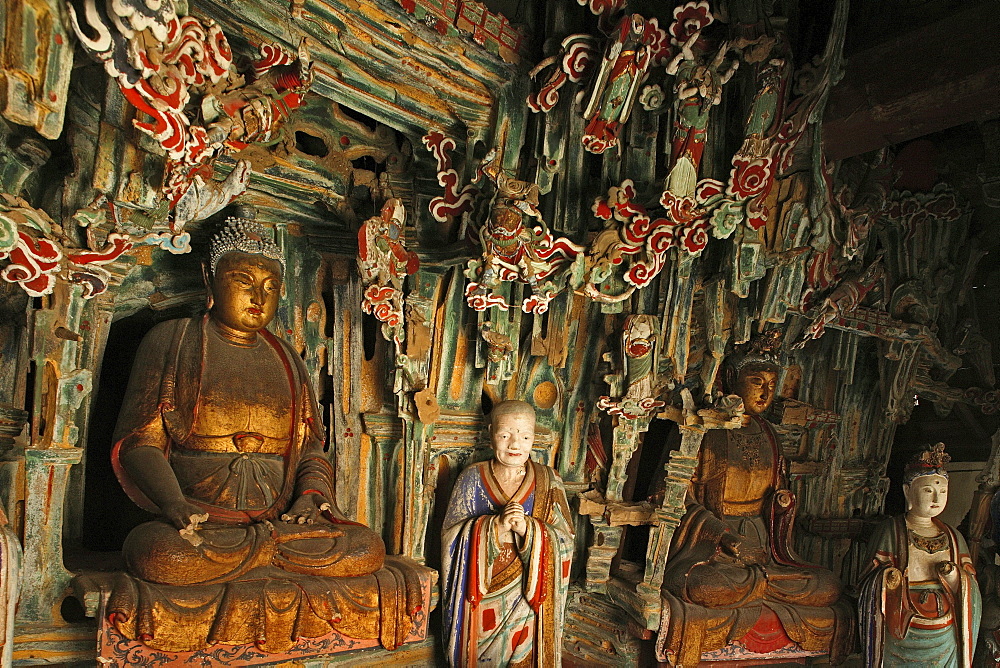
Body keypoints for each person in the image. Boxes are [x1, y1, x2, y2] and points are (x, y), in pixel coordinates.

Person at [106, 215, 420, 653]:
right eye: (243, 280)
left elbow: (311, 448)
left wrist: (310, 498)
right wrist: (173, 503)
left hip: (278, 527)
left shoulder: (286, 357)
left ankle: (264, 554)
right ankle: (255, 555)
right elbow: (141, 442)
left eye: (271, 287)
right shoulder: (171, 341)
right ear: (208, 279)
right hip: (202, 527)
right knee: (155, 552)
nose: (258, 297)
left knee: (365, 547)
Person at [658, 342, 851, 665]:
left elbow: (775, 498)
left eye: (772, 385)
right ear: (732, 377)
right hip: (714, 551)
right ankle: (757, 585)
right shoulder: (703, 428)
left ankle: (761, 584)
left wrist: (783, 505)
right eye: (757, 382)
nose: (765, 393)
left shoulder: (769, 433)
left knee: (827, 586)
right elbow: (674, 498)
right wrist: (726, 538)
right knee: (699, 585)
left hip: (765, 552)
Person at [441, 401, 574, 667]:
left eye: (525, 436)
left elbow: (566, 541)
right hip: (482, 592)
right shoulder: (471, 478)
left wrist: (529, 531)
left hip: (528, 593)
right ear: (490, 434)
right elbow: (449, 540)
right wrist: (494, 528)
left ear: (534, 437)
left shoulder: (549, 480)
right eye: (505, 435)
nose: (515, 444)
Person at [859, 443, 981, 667]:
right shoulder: (891, 531)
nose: (936, 497)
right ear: (908, 492)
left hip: (945, 629)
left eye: (942, 491)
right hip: (901, 625)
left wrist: (956, 577)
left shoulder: (953, 537)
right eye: (928, 490)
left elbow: (971, 584)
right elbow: (868, 580)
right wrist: (888, 579)